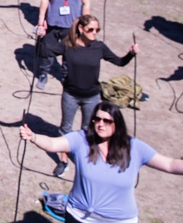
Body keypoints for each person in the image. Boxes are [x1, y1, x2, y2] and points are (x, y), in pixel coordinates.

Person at [20, 101, 183, 222]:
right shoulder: (81, 139)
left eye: (107, 121)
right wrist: (34, 137)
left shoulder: (135, 148)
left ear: (117, 124)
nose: (101, 124)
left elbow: (170, 164)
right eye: (97, 120)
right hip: (78, 216)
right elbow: (53, 144)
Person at [42, 14, 137, 176]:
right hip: (70, 95)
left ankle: (85, 160)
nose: (94, 33)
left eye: (97, 30)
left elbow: (119, 62)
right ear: (81, 29)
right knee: (65, 129)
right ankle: (64, 160)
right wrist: (41, 37)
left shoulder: (99, 47)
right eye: (91, 29)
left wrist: (131, 54)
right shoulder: (68, 45)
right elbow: (45, 52)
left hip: (91, 96)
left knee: (89, 130)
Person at [35, 0, 92, 89]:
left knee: (70, 53)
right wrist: (41, 20)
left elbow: (86, 4)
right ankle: (43, 74)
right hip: (52, 22)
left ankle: (67, 76)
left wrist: (84, 24)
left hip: (72, 25)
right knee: (47, 50)